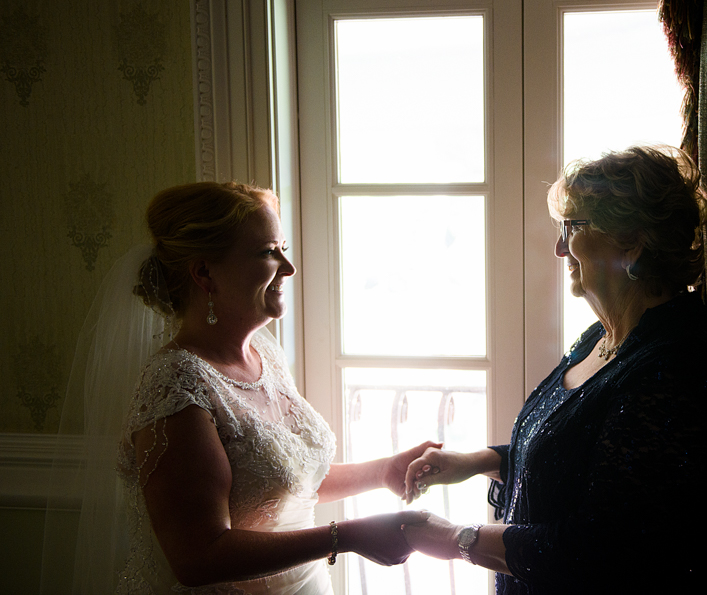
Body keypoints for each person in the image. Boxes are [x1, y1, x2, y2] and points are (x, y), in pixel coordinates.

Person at [400, 145, 707, 593]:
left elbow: (597, 548)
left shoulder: (676, 366)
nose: (560, 247)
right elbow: (574, 458)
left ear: (634, 241)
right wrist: (474, 461)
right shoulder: (599, 338)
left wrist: (451, 539)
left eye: (573, 227)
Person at [61, 182, 433, 594]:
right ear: (204, 273)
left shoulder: (263, 356)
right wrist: (345, 536)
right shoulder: (178, 386)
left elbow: (283, 481)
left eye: (282, 248)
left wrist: (384, 471)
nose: (288, 268)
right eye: (267, 252)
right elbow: (197, 556)